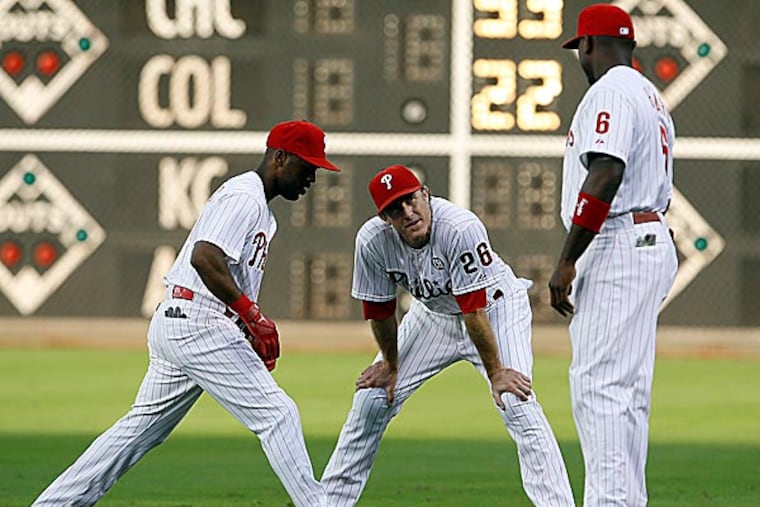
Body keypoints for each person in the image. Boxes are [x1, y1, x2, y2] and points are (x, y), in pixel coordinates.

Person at [32, 120, 341, 507]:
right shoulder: (244, 196)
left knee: (139, 430)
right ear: (279, 158)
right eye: (307, 166)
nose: (312, 176)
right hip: (198, 321)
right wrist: (252, 315)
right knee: (278, 414)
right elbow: (204, 256)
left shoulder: (260, 208)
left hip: (182, 320)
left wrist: (245, 320)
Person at [321, 164, 575, 506]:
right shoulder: (372, 242)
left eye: (411, 200)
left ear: (425, 194)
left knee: (517, 403)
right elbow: (380, 312)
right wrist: (391, 364)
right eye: (396, 209)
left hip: (494, 308)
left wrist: (497, 372)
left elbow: (474, 311)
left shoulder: (460, 227)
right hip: (432, 316)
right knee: (371, 400)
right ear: (385, 218)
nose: (408, 213)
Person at [548, 4, 679, 506]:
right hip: (647, 238)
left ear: (588, 45)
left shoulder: (610, 91)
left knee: (599, 387)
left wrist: (567, 259)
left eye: (579, 48)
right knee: (626, 393)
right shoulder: (650, 94)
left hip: (619, 241)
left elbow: (605, 172)